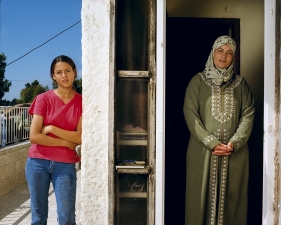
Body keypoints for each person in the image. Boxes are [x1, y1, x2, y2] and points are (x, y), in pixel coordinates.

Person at [183, 36, 255, 225]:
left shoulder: (241, 85)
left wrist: (235, 142)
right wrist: (211, 143)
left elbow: (248, 114)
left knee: (233, 202)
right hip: (202, 152)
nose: (224, 56)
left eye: (229, 52)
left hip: (235, 154)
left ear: (233, 57)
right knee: (199, 201)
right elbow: (190, 114)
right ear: (212, 52)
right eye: (220, 50)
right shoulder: (197, 82)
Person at [25, 55, 82, 225]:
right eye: (59, 72)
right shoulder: (43, 99)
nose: (64, 75)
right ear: (53, 76)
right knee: (38, 215)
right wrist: (66, 142)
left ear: (74, 73)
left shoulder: (82, 102)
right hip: (37, 163)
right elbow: (34, 136)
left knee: (66, 217)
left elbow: (79, 137)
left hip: (65, 165)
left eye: (67, 71)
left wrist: (51, 129)